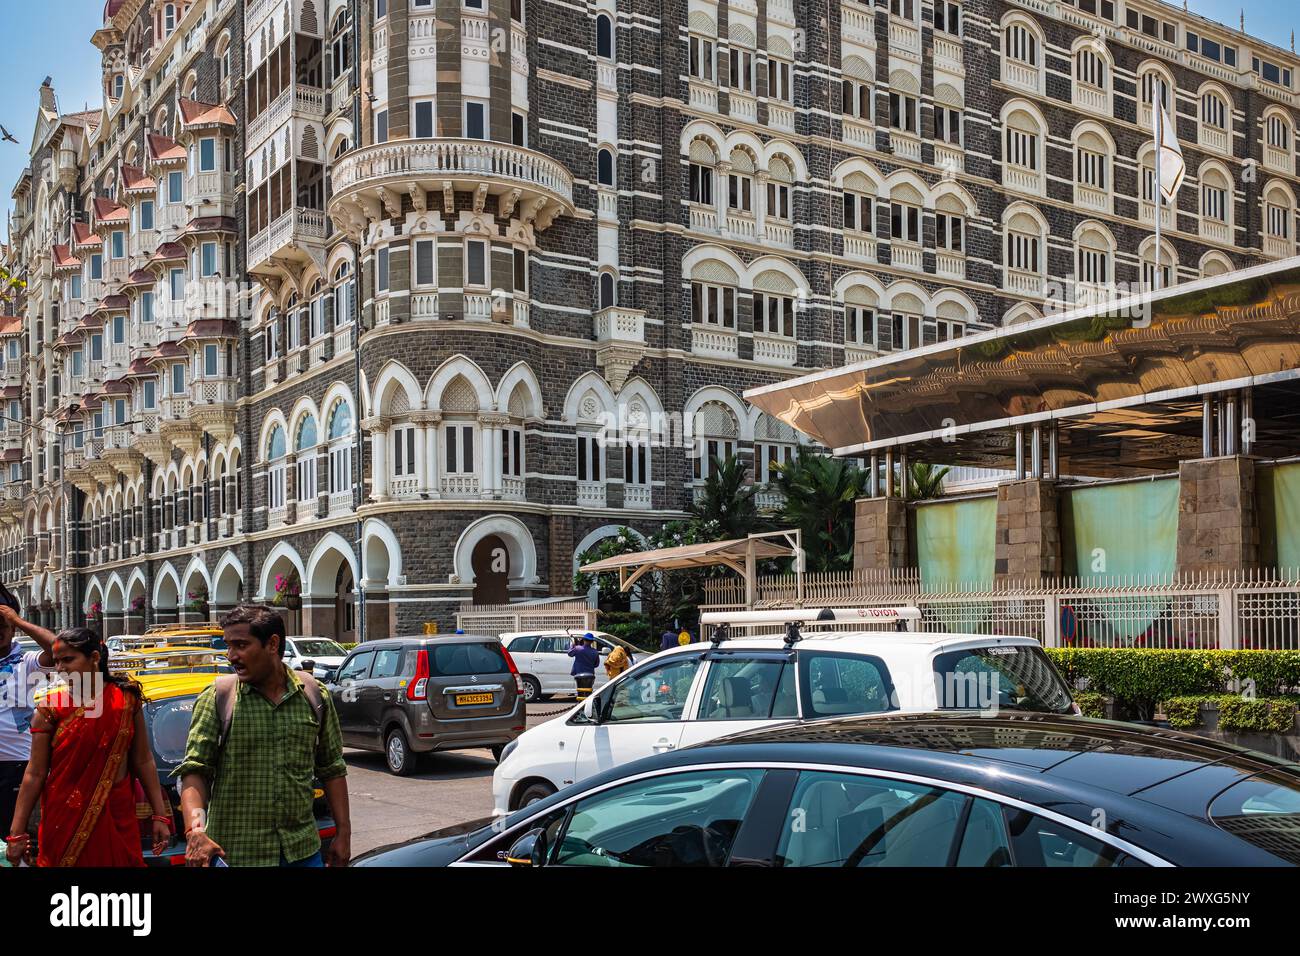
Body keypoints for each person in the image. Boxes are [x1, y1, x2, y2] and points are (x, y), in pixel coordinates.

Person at [177, 604, 350, 867]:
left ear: (272, 644)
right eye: (228, 646)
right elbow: (194, 772)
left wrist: (343, 833)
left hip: (302, 852)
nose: (231, 655)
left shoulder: (313, 695)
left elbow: (332, 768)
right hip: (236, 856)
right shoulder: (218, 699)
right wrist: (196, 831)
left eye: (241, 645)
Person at [5, 628, 172, 867]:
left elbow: (143, 760)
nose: (60, 669)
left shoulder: (126, 700)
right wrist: (17, 833)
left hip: (117, 813)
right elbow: (35, 774)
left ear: (94, 658)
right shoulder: (49, 709)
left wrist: (160, 815)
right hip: (64, 815)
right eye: (57, 662)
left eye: (68, 660)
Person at [0, 586, 56, 849]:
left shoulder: (26, 659)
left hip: (19, 766)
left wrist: (19, 621)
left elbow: (57, 648)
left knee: (18, 842)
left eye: (4, 625)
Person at [568, 633, 601, 702]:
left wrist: (573, 645)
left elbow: (570, 653)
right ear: (592, 642)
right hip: (590, 675)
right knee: (588, 693)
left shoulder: (578, 648)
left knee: (580, 692)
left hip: (579, 675)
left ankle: (581, 705)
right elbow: (596, 664)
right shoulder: (595, 652)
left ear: (584, 640)